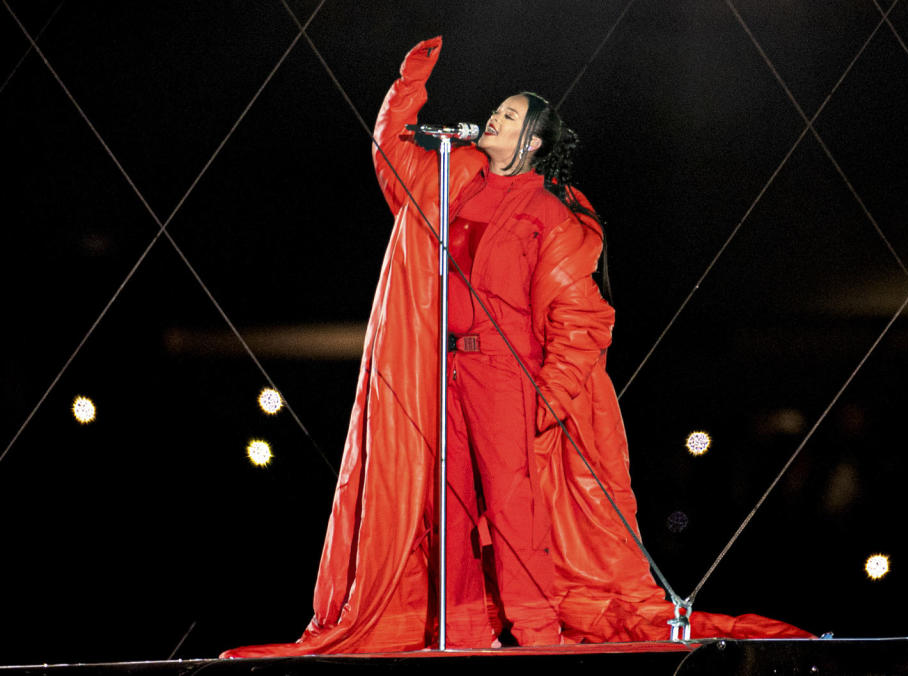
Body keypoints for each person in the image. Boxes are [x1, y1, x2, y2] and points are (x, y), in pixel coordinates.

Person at [221, 37, 812, 658]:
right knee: (447, 505)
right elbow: (391, 156)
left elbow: (581, 317)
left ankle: (537, 637)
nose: (495, 118)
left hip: (508, 373)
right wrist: (410, 83)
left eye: (509, 115)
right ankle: (466, 635)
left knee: (511, 506)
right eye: (496, 110)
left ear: (531, 142)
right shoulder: (452, 179)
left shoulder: (552, 209)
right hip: (440, 367)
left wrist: (549, 399)